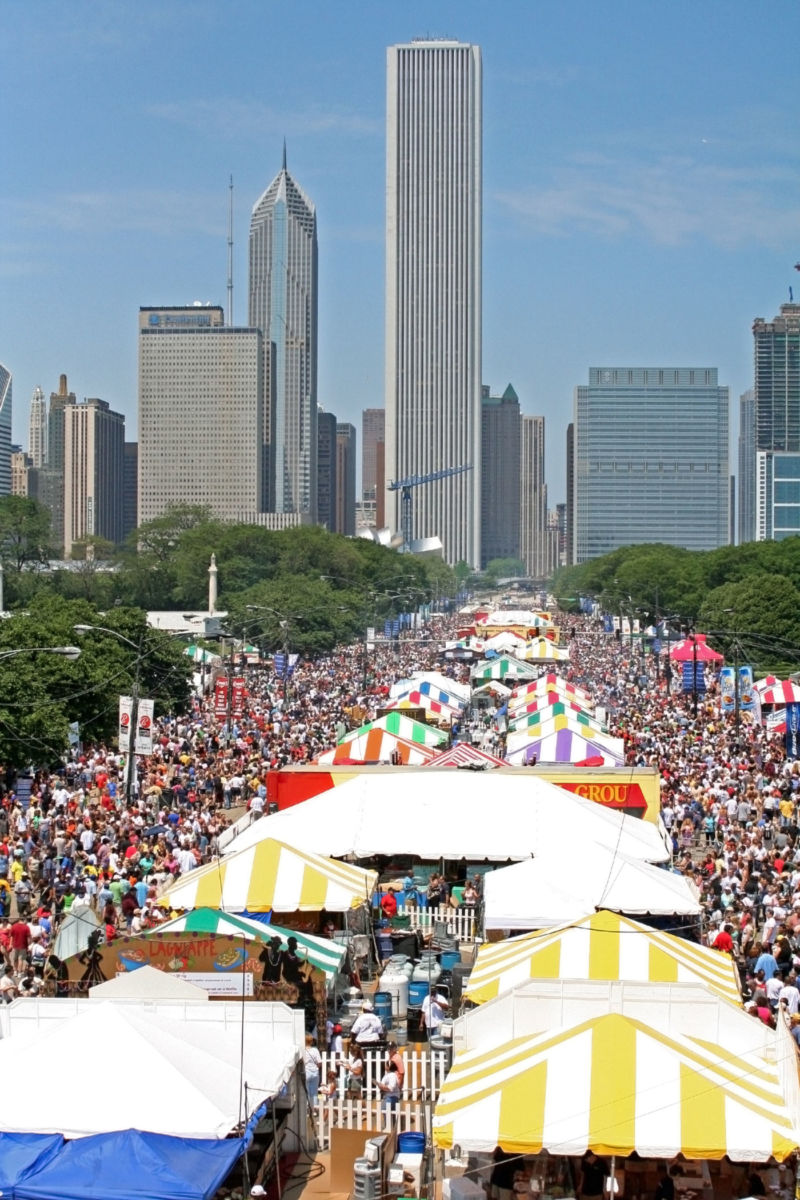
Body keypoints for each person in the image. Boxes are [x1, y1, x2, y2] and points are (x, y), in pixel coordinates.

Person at [304, 1033, 322, 1108]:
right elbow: (319, 1062)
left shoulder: (303, 1050)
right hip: (315, 1072)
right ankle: (315, 1108)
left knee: (306, 1091)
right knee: (314, 1092)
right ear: (311, 1041)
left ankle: (307, 1108)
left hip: (306, 1072)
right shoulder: (315, 1050)